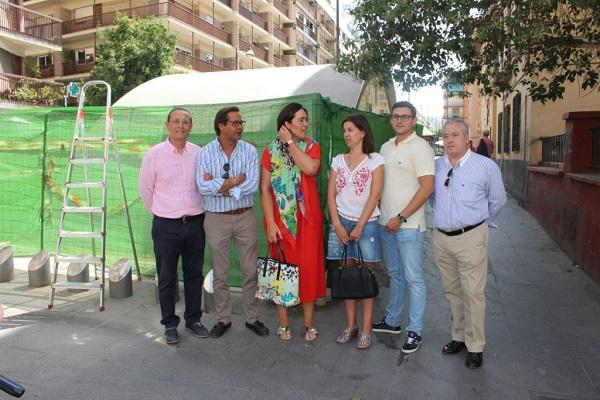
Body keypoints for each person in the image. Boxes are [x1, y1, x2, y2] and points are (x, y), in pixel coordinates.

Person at [432, 120, 506, 369]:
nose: (449, 140)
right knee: (452, 291)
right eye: (445, 135)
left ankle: (475, 346)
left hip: (471, 237)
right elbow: (431, 197)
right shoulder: (436, 166)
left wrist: (482, 225)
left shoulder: (485, 167)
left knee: (473, 293)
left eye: (455, 135)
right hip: (442, 237)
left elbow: (498, 200)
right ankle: (459, 336)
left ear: (467, 139)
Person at [196, 106, 269, 338]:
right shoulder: (205, 152)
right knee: (221, 272)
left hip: (245, 216)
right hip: (216, 219)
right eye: (235, 123)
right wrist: (235, 181)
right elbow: (202, 187)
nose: (240, 127)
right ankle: (223, 319)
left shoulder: (249, 150)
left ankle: (252, 318)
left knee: (250, 271)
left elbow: (251, 186)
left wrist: (220, 185)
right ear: (221, 125)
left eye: (241, 123)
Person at [138, 107, 207, 345]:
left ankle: (194, 319)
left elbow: (204, 185)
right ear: (167, 125)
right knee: (166, 276)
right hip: (166, 225)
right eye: (176, 121)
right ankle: (169, 324)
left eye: (186, 122)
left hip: (196, 223)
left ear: (191, 126)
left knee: (194, 274)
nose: (181, 125)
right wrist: (162, 212)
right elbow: (145, 190)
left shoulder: (199, 153)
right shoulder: (154, 155)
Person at [372, 101, 435, 355]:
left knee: (414, 278)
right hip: (386, 224)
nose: (399, 121)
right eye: (395, 116)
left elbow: (427, 187)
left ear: (414, 120)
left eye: (404, 117)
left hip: (408, 225)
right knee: (396, 274)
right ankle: (393, 321)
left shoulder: (420, 148)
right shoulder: (386, 147)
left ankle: (415, 331)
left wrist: (401, 216)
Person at [259, 102, 326, 342]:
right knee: (282, 271)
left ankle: (309, 324)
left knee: (307, 270)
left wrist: (289, 143)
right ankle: (283, 323)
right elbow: (265, 189)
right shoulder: (270, 151)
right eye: (300, 120)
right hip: (281, 222)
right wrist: (270, 222)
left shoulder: (312, 146)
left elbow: (310, 168)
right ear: (286, 124)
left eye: (306, 119)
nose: (305, 124)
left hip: (308, 221)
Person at [326, 115, 384, 350]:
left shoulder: (375, 160)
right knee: (346, 275)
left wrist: (360, 225)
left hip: (366, 224)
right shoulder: (337, 160)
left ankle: (366, 328)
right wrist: (338, 225)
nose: (346, 134)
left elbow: (375, 194)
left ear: (362, 132)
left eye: (350, 130)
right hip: (341, 223)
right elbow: (330, 195)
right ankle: (351, 326)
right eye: (344, 131)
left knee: (364, 277)